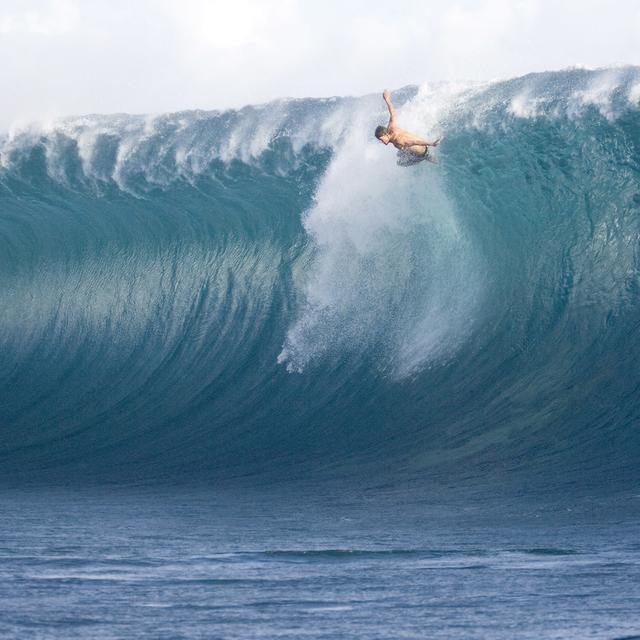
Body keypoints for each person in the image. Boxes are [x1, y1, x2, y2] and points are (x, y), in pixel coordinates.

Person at [375, 89, 442, 165]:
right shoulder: (391, 127)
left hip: (421, 154)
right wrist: (387, 99)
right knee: (399, 153)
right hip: (411, 148)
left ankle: (428, 158)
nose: (380, 142)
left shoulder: (399, 140)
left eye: (381, 139)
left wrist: (431, 143)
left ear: (385, 134)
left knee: (400, 163)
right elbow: (393, 114)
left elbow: (415, 141)